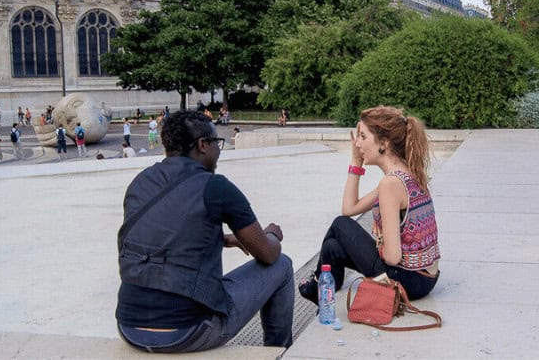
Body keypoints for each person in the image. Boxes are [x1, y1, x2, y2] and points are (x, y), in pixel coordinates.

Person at [116, 110, 294, 353]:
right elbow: (268, 254)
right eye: (217, 143)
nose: (218, 151)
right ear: (203, 145)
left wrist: (225, 240)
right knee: (282, 265)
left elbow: (162, 236)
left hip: (129, 326)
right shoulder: (216, 187)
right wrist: (271, 235)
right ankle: (279, 352)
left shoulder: (141, 181)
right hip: (189, 330)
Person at [298, 106, 440, 305]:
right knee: (332, 247)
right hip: (426, 277)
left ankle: (317, 284)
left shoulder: (390, 184)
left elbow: (392, 257)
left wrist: (369, 247)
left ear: (383, 143)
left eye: (363, 137)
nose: (357, 143)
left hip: (410, 281)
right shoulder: (405, 173)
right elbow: (350, 208)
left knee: (340, 225)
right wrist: (356, 160)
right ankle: (324, 286)